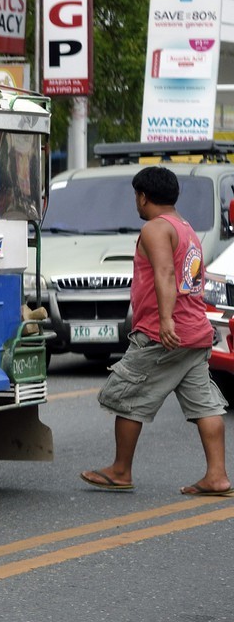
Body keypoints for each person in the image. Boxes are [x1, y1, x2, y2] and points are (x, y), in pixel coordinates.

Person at [80, 166, 231, 496]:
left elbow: (164, 274)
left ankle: (120, 470)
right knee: (204, 404)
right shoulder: (185, 227)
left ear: (143, 196)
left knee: (127, 396)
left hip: (163, 334)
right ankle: (217, 475)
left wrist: (164, 322)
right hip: (195, 331)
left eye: (136, 196)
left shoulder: (155, 229)